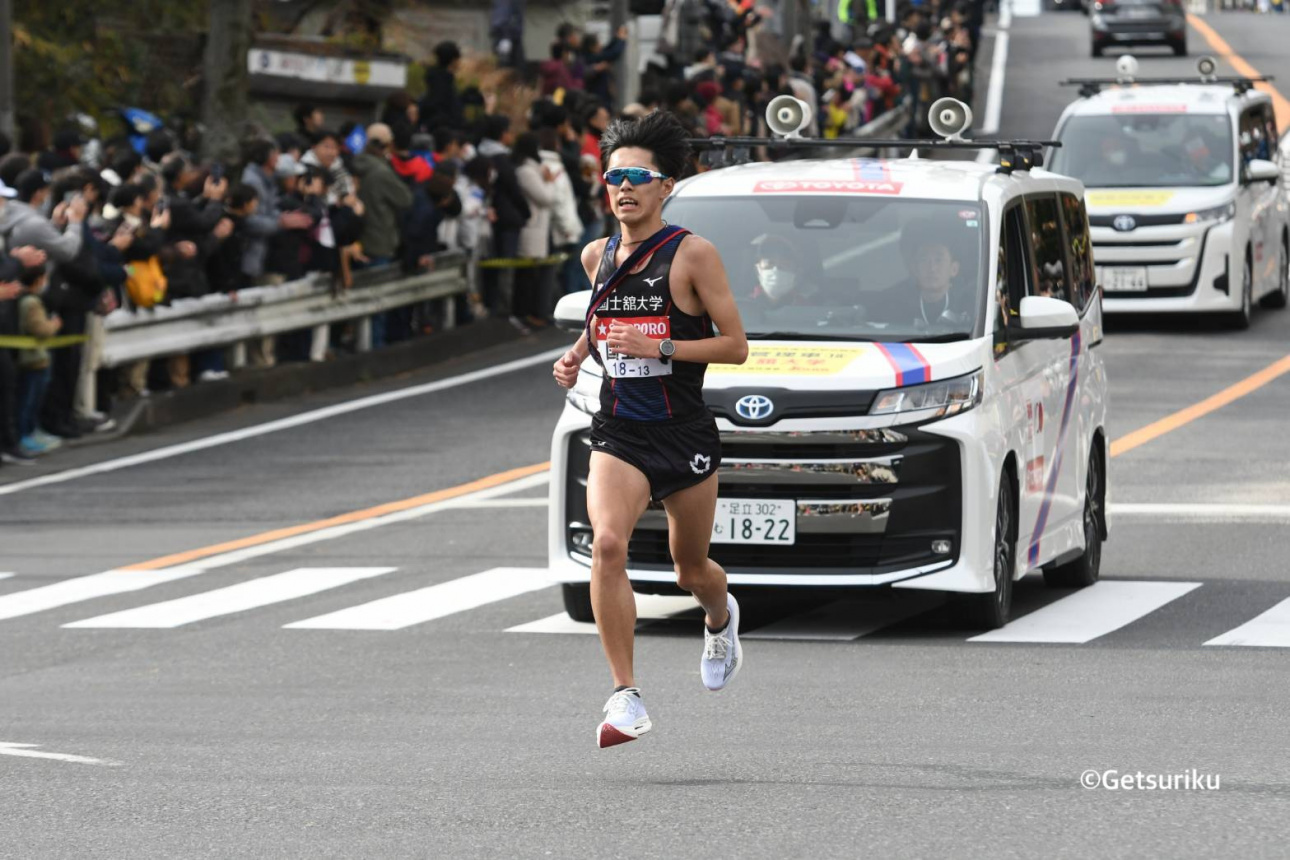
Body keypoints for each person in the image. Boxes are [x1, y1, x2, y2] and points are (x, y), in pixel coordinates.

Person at [550, 111, 749, 749]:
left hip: (683, 430)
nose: (624, 188)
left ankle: (720, 619)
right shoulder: (596, 255)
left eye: (638, 176)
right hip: (620, 429)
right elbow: (606, 316)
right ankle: (625, 696)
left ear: (666, 186)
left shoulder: (693, 254)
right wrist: (581, 352)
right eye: (613, 177)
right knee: (607, 545)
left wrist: (661, 350)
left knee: (690, 568)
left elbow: (736, 346)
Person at [878, 219, 972, 327]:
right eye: (924, 259)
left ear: (954, 269)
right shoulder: (894, 305)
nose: (932, 268)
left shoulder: (967, 304)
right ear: (914, 268)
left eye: (939, 260)